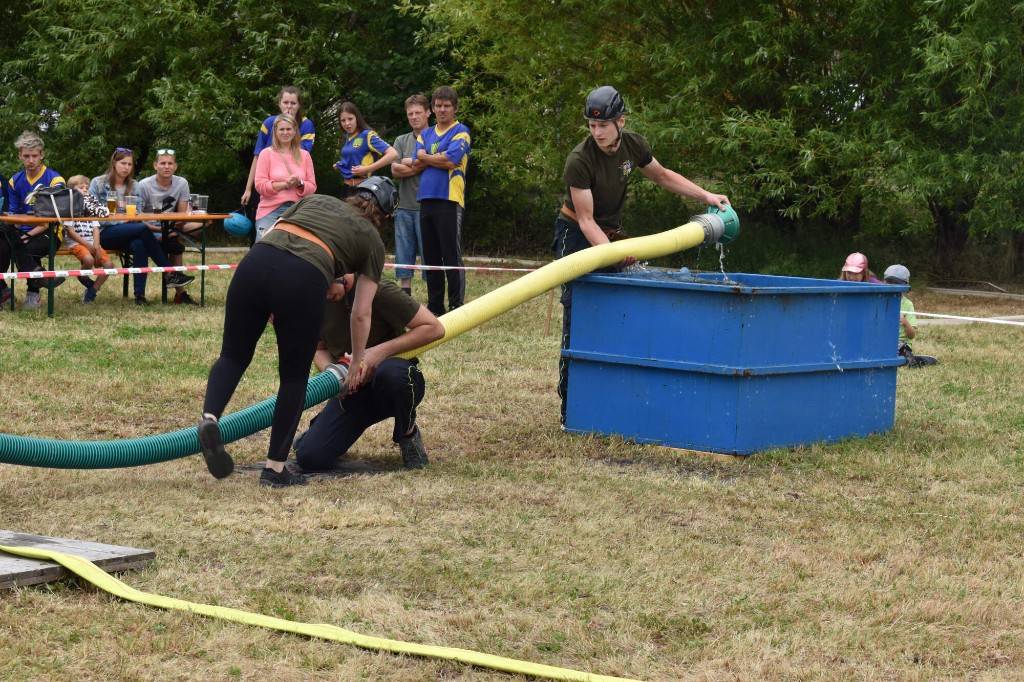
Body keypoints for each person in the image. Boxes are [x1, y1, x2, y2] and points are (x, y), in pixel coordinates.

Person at [197, 177, 397, 488]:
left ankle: (210, 418)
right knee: (293, 378)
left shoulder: (316, 200)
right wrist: (357, 360)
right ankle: (275, 469)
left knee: (233, 356)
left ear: (353, 196)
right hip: (303, 276)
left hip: (256, 263)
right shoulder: (372, 240)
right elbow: (361, 312)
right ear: (384, 216)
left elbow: (276, 233)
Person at [552, 86, 729, 424]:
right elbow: (586, 221)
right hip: (575, 235)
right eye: (591, 125)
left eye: (603, 125)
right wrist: (613, 254)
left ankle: (612, 400)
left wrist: (707, 196)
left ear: (620, 121)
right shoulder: (579, 159)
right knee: (580, 317)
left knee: (618, 311)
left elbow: (662, 175)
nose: (597, 132)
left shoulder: (633, 145)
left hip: (611, 235)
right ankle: (570, 410)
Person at [294, 273, 444, 472]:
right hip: (353, 390)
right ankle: (321, 427)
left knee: (394, 376)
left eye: (325, 289)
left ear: (339, 274)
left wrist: (378, 352)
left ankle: (407, 434)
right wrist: (334, 374)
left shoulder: (379, 290)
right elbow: (318, 348)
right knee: (310, 457)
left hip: (392, 381)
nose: (325, 297)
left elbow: (434, 328)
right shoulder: (317, 298)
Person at [92, 148, 193, 305]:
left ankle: (140, 296)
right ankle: (170, 273)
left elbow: (137, 214)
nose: (126, 167)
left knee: (140, 244)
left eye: (129, 164)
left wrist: (127, 220)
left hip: (129, 231)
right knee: (142, 229)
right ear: (114, 163)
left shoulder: (134, 185)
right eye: (123, 163)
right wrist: (124, 220)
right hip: (103, 232)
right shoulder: (98, 183)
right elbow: (92, 212)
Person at [415, 86, 472, 315]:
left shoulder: (461, 131)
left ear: (455, 108)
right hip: (426, 198)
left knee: (451, 255)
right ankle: (435, 306)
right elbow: (417, 159)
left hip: (449, 199)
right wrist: (435, 157)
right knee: (431, 258)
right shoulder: (425, 133)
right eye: (438, 106)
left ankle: (456, 305)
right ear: (432, 108)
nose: (442, 110)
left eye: (447, 106)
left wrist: (427, 157)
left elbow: (451, 160)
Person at [4, 131, 68, 310]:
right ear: (20, 155)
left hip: (50, 231)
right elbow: (14, 214)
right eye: (26, 156)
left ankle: (33, 293)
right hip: (21, 231)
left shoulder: (55, 180)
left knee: (26, 248)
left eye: (34, 156)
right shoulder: (14, 180)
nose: (30, 160)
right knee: (3, 244)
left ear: (42, 155)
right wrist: (17, 232)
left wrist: (26, 236)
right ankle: (6, 291)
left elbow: (50, 219)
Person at [137, 149, 203, 305]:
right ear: (155, 165)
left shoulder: (182, 183)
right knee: (172, 242)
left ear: (175, 166)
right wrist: (160, 230)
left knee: (200, 225)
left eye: (170, 163)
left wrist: (173, 229)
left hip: (171, 226)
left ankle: (179, 293)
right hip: (148, 229)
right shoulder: (144, 185)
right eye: (163, 163)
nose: (166, 166)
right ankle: (180, 292)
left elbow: (181, 215)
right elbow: (137, 217)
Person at [241, 86, 316, 207]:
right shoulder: (269, 123)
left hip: (295, 193)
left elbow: (301, 154)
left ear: (299, 105)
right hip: (269, 188)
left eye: (293, 103)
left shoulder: (306, 125)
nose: (289, 106)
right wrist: (248, 189)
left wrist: (290, 124)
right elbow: (257, 156)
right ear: (279, 104)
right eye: (285, 102)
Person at [390, 94, 431, 296]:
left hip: (428, 206)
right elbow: (394, 170)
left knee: (430, 255)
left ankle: (433, 298)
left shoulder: (435, 137)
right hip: (404, 206)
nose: (414, 117)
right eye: (410, 114)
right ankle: (404, 297)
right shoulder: (401, 140)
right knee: (403, 255)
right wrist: (419, 163)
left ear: (428, 112)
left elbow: (434, 163)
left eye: (418, 113)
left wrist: (408, 162)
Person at [254, 113, 317, 240]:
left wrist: (299, 183)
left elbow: (312, 187)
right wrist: (285, 184)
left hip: (298, 210)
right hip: (270, 210)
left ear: (295, 131)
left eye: (288, 129)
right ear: (275, 131)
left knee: (302, 248)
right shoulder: (266, 154)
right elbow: (260, 185)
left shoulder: (305, 155)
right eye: (281, 129)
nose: (285, 132)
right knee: (264, 247)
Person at [64, 175, 114, 302]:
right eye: (81, 187)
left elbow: (96, 228)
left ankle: (93, 290)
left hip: (92, 242)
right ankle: (83, 276)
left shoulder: (92, 206)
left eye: (86, 187)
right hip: (76, 242)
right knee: (89, 259)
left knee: (109, 265)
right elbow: (70, 232)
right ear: (72, 190)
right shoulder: (69, 206)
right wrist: (88, 246)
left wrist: (96, 246)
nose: (85, 189)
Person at [333, 101, 397, 193]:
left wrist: (367, 169)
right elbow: (355, 159)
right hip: (346, 188)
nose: (347, 123)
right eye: (343, 120)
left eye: (350, 119)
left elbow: (393, 154)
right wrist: (341, 165)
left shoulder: (367, 135)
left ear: (357, 118)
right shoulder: (347, 137)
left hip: (364, 189)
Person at [884, 264, 938, 368]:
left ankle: (916, 360)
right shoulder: (879, 301)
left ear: (905, 287)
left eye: (897, 283)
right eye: (890, 282)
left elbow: (912, 335)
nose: (893, 287)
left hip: (901, 344)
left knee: (903, 359)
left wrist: (905, 322)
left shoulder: (908, 305)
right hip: (883, 342)